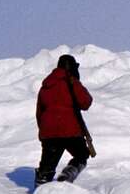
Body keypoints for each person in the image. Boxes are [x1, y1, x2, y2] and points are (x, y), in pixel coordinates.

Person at [33, 53, 96, 186]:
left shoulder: (46, 85)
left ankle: (40, 191)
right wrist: (76, 83)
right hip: (70, 130)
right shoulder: (72, 81)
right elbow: (86, 102)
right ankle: (67, 175)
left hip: (49, 132)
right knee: (81, 155)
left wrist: (45, 132)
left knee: (46, 167)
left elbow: (40, 112)